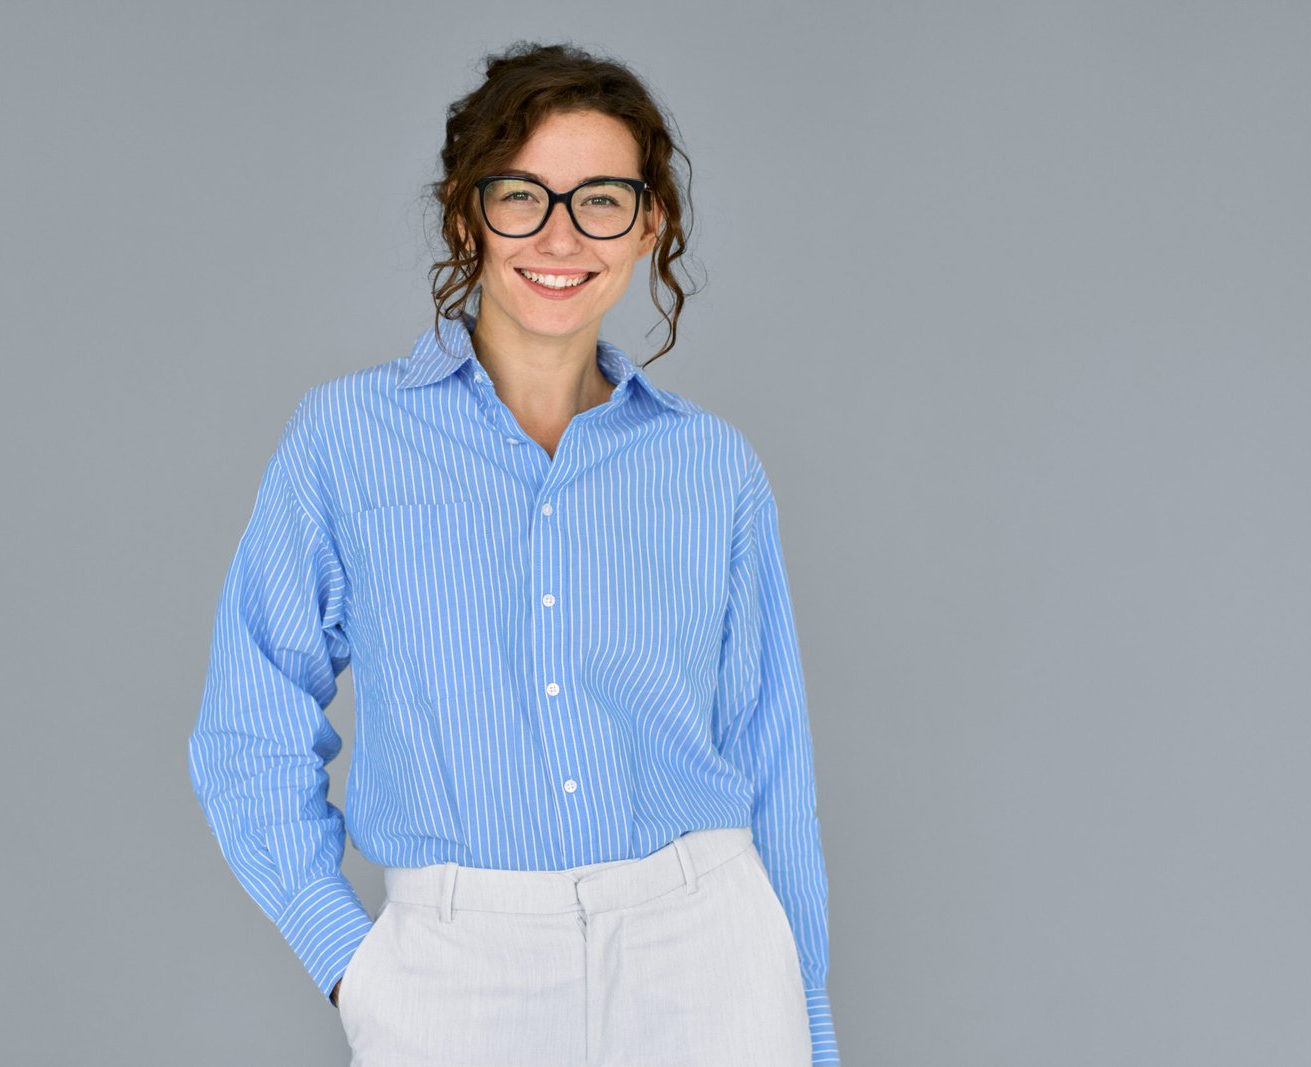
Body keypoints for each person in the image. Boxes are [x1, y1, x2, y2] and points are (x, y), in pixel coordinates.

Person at [188, 40, 841, 1067]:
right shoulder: (344, 441)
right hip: (457, 971)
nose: (560, 234)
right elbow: (247, 723)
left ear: (649, 225)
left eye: (601, 200)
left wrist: (809, 1023)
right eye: (521, 196)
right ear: (466, 214)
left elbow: (772, 762)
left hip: (707, 957)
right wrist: (353, 964)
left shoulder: (712, 466)